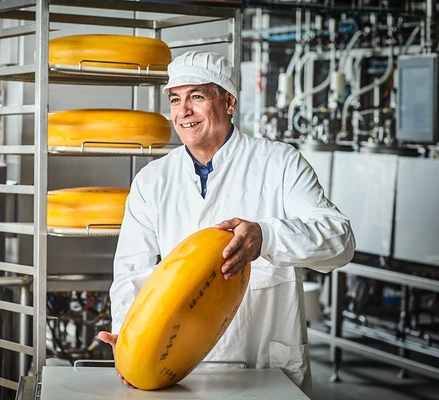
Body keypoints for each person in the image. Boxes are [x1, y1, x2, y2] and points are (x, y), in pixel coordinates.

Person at [98, 50, 355, 398]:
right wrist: (127, 343)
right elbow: (131, 271)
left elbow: (339, 241)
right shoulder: (152, 180)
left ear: (229, 102)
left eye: (197, 97)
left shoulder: (279, 164)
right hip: (176, 368)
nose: (183, 111)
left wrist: (266, 237)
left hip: (264, 367)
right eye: (175, 99)